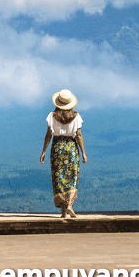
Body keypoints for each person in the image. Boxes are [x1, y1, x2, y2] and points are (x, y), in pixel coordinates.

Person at [39, 89, 88, 219]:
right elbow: (78, 135)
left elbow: (48, 135)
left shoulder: (52, 116)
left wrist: (43, 151)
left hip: (57, 148)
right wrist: (83, 152)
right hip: (71, 147)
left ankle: (63, 212)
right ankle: (70, 205)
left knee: (59, 179)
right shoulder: (76, 117)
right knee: (72, 178)